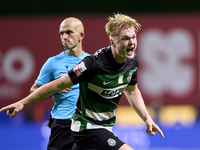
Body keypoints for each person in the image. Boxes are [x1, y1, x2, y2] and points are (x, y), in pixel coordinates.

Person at [0, 13, 164, 150]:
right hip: (86, 128)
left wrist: (147, 119)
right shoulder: (92, 64)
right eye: (125, 39)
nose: (132, 43)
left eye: (134, 37)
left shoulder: (132, 61)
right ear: (112, 41)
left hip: (105, 126)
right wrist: (23, 103)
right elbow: (58, 84)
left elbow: (132, 91)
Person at [11, 17, 89, 150]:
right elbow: (34, 90)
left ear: (81, 35)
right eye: (61, 33)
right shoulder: (53, 62)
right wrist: (55, 89)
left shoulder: (91, 61)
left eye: (69, 32)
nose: (64, 37)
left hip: (87, 125)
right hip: (62, 126)